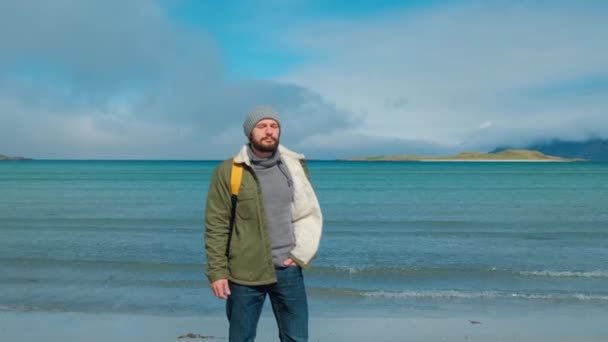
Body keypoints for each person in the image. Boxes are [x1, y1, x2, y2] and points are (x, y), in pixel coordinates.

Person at [204, 105, 323, 342]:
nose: (269, 131)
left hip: (289, 270)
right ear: (250, 132)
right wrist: (217, 272)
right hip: (244, 274)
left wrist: (301, 254)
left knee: (297, 339)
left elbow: (307, 213)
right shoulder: (228, 171)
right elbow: (217, 225)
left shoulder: (293, 167)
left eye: (274, 126)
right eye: (262, 126)